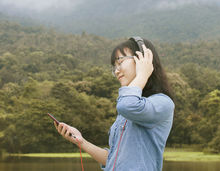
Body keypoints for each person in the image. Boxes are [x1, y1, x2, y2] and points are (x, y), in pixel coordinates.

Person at [54, 37, 174, 170]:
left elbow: (127, 104)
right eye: (114, 67)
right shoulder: (126, 111)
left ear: (143, 60)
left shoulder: (162, 103)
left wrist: (142, 75)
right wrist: (81, 141)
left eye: (120, 61)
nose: (116, 71)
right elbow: (113, 159)